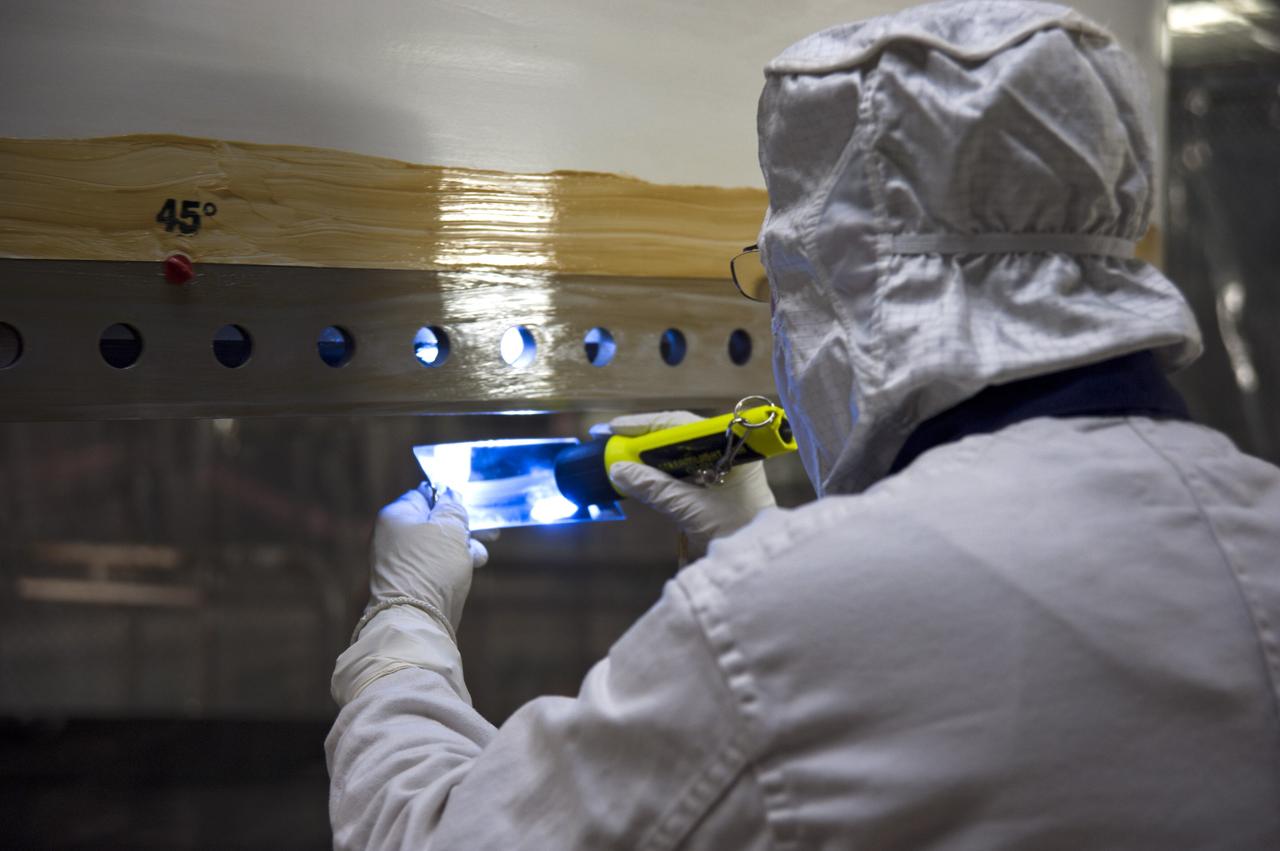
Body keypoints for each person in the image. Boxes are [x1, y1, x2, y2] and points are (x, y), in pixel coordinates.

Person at [326, 1, 1280, 847]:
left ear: (852, 291)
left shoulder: (767, 623)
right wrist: (763, 534)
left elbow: (434, 832)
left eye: (778, 285)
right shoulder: (1259, 518)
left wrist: (403, 621)